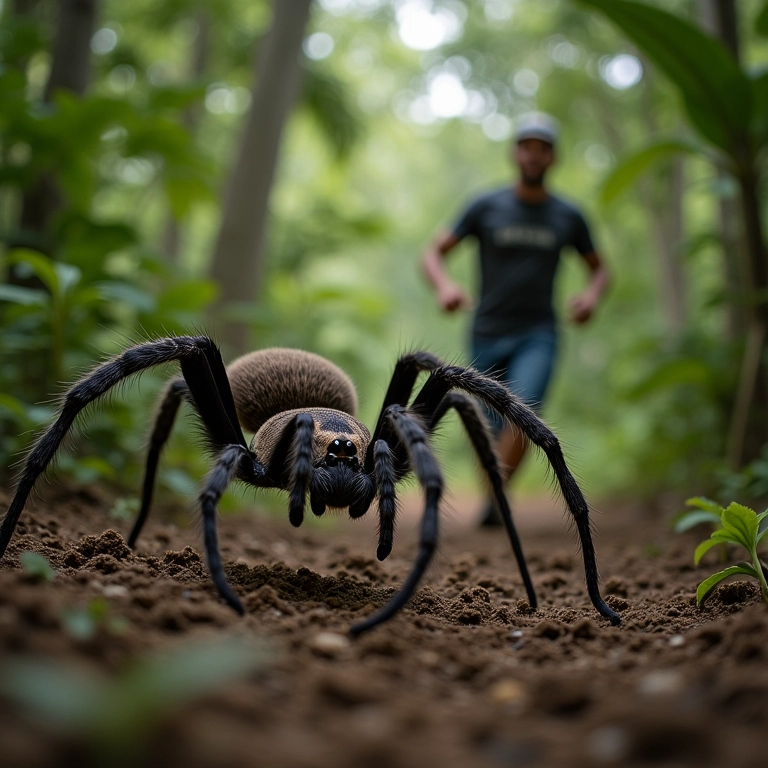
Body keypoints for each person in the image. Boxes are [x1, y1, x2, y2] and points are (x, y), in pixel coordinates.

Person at [421, 112, 609, 526]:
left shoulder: (567, 216)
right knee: (490, 428)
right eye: (527, 146)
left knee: (526, 414)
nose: (534, 155)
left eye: (543, 148)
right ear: (516, 153)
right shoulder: (486, 206)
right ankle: (494, 496)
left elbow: (599, 268)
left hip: (538, 332)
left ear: (552, 158)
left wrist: (590, 297)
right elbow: (433, 253)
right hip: (487, 331)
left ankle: (495, 499)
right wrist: (445, 287)